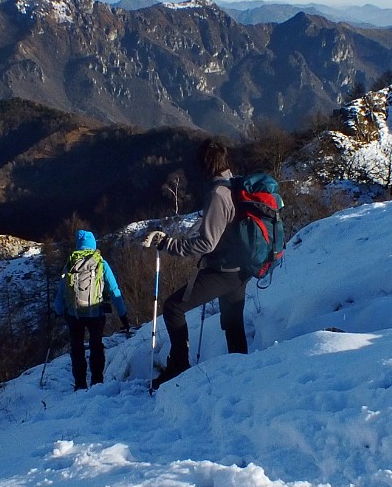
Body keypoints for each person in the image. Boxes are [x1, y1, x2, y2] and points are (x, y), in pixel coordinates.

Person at [141, 139, 247, 389]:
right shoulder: (234, 184)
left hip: (223, 270)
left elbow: (207, 243)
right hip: (239, 267)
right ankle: (241, 373)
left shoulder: (218, 194)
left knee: (173, 308)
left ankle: (178, 366)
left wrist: (170, 245)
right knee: (233, 322)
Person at [53, 230, 130, 390]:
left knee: (77, 348)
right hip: (96, 313)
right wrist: (123, 315)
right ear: (93, 244)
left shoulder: (70, 263)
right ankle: (97, 381)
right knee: (96, 345)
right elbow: (114, 290)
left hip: (73, 315)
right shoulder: (101, 262)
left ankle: (80, 384)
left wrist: (58, 310)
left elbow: (61, 291)